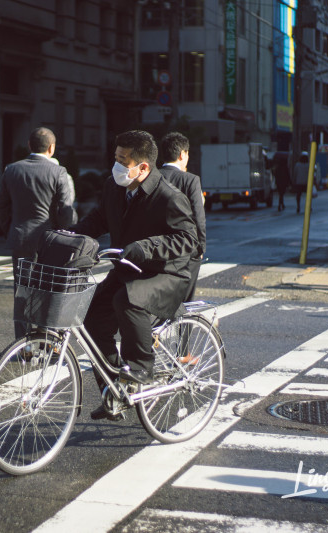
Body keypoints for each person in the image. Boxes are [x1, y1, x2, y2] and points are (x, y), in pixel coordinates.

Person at [70, 130, 196, 420]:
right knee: (90, 318)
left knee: (127, 300)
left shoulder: (168, 196)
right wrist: (71, 234)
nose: (116, 166)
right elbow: (100, 219)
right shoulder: (114, 187)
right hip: (129, 269)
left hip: (166, 274)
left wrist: (147, 246)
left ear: (143, 167)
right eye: (115, 158)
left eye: (122, 161)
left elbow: (188, 239)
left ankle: (140, 367)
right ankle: (114, 391)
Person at [0, 127, 78, 336]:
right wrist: (61, 232)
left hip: (21, 237)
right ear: (52, 148)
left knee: (21, 290)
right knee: (48, 289)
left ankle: (22, 343)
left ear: (30, 146)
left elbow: (1, 207)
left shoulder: (12, 169)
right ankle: (45, 336)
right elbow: (64, 209)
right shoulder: (58, 172)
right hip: (49, 240)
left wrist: (11, 230)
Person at [157, 132, 206, 301]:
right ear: (182, 154)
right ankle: (183, 328)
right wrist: (201, 246)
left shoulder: (152, 177)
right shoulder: (190, 180)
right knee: (185, 300)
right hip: (186, 248)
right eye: (187, 153)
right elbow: (198, 215)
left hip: (156, 247)